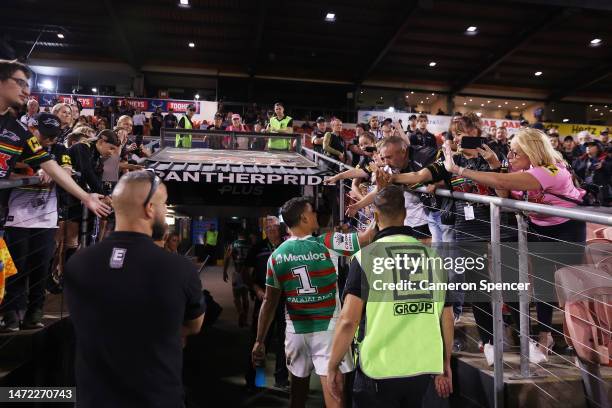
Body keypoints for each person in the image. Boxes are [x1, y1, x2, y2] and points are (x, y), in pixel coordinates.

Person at [440, 127, 587, 360]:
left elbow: (501, 181)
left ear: (532, 152)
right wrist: (494, 164)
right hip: (539, 228)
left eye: (516, 152)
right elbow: (504, 192)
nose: (510, 156)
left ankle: (583, 345)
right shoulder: (524, 168)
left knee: (568, 287)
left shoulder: (551, 170)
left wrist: (459, 170)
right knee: (542, 282)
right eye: (510, 151)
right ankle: (544, 334)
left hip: (566, 230)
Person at [64, 170, 205, 407]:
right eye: (164, 204)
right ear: (150, 208)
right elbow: (193, 326)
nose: (165, 209)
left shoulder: (78, 263)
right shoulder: (179, 268)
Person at [327, 185, 454, 407]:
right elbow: (447, 316)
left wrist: (333, 365)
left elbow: (348, 320)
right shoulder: (434, 258)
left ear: (375, 216)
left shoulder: (366, 258)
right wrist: (446, 363)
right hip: (423, 369)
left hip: (378, 369)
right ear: (405, 215)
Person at [252, 197, 375, 408]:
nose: (317, 215)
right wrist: (378, 202)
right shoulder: (327, 242)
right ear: (304, 218)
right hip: (328, 331)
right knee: (335, 396)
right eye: (313, 212)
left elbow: (269, 303)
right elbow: (368, 236)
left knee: (297, 397)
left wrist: (259, 340)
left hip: (295, 332)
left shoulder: (276, 256)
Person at [0, 59, 109, 216]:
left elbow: (49, 164)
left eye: (27, 85)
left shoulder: (21, 132)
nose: (27, 91)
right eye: (20, 83)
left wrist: (86, 197)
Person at [0, 113, 72, 331]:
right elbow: (8, 167)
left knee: (41, 269)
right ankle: (10, 314)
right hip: (17, 217)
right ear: (33, 128)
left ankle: (35, 312)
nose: (49, 140)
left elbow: (67, 170)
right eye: (45, 135)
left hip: (46, 219)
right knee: (16, 269)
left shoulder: (60, 150)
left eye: (53, 136)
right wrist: (35, 168)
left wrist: (52, 170)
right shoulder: (19, 143)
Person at [244, 216, 288, 390]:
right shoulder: (258, 248)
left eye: (274, 227)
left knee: (284, 342)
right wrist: (257, 290)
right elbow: (246, 274)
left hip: (285, 301)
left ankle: (282, 380)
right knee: (260, 340)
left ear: (280, 229)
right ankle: (256, 380)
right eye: (268, 228)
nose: (271, 231)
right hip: (264, 301)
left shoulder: (287, 247)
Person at [223, 230, 252, 327]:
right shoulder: (250, 245)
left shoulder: (233, 244)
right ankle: (245, 319)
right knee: (245, 297)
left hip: (237, 273)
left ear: (238, 235)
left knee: (236, 297)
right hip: (247, 275)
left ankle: (240, 312)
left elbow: (227, 258)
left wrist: (224, 272)